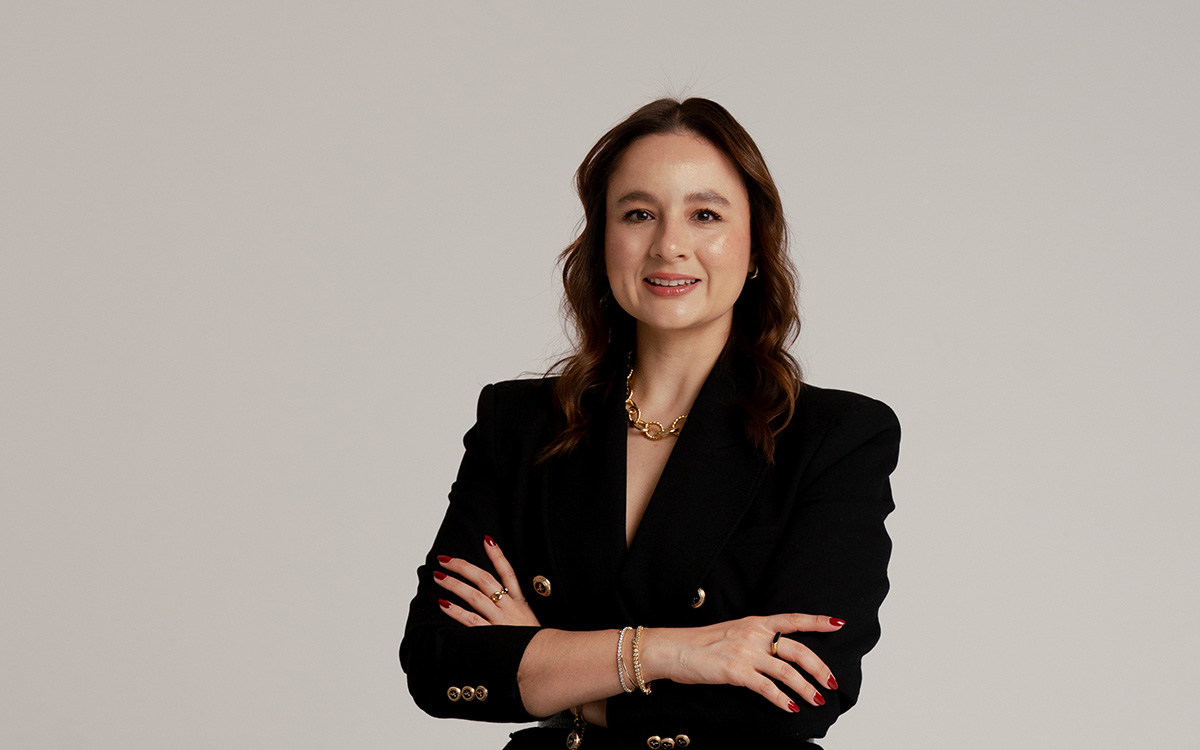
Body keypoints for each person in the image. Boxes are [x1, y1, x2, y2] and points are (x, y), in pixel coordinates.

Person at [399, 97, 900, 749]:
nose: (669, 245)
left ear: (755, 246)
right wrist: (669, 653)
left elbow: (800, 697)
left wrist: (550, 664)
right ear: (602, 240)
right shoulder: (518, 423)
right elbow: (438, 665)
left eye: (705, 215)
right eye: (638, 214)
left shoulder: (835, 437)